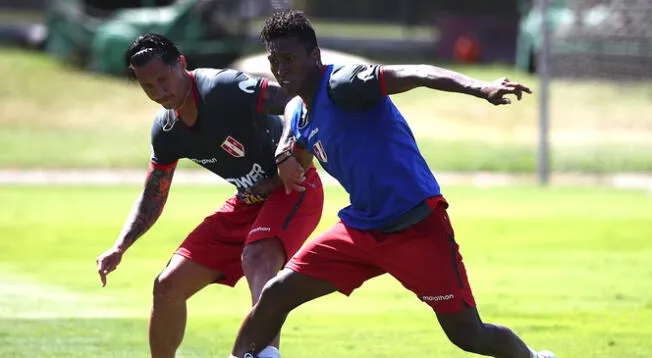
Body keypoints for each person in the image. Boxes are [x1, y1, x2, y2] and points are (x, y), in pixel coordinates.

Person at [229, 10, 555, 358]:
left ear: (315, 56)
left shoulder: (345, 85)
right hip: (361, 229)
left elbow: (419, 73)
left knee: (467, 333)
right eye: (274, 61)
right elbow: (293, 124)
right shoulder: (297, 109)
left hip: (415, 225)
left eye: (290, 59)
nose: (281, 69)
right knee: (277, 293)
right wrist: (283, 154)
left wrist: (481, 87)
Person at [95, 32, 324, 358]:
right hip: (249, 199)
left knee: (258, 258)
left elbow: (295, 102)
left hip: (294, 187)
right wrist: (120, 245)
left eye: (163, 79)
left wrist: (288, 153)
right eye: (148, 87)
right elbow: (153, 194)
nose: (160, 92)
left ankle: (265, 354)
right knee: (168, 286)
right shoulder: (167, 130)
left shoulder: (221, 88)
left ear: (182, 65)